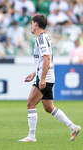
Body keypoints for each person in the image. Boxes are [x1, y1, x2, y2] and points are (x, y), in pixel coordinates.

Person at [18, 14, 81, 142]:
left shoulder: (41, 39)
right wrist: (34, 73)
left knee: (31, 103)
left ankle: (31, 136)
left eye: (32, 23)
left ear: (36, 25)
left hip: (45, 78)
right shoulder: (45, 38)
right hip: (46, 76)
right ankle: (73, 127)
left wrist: (42, 78)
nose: (31, 26)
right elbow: (44, 61)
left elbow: (46, 59)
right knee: (48, 107)